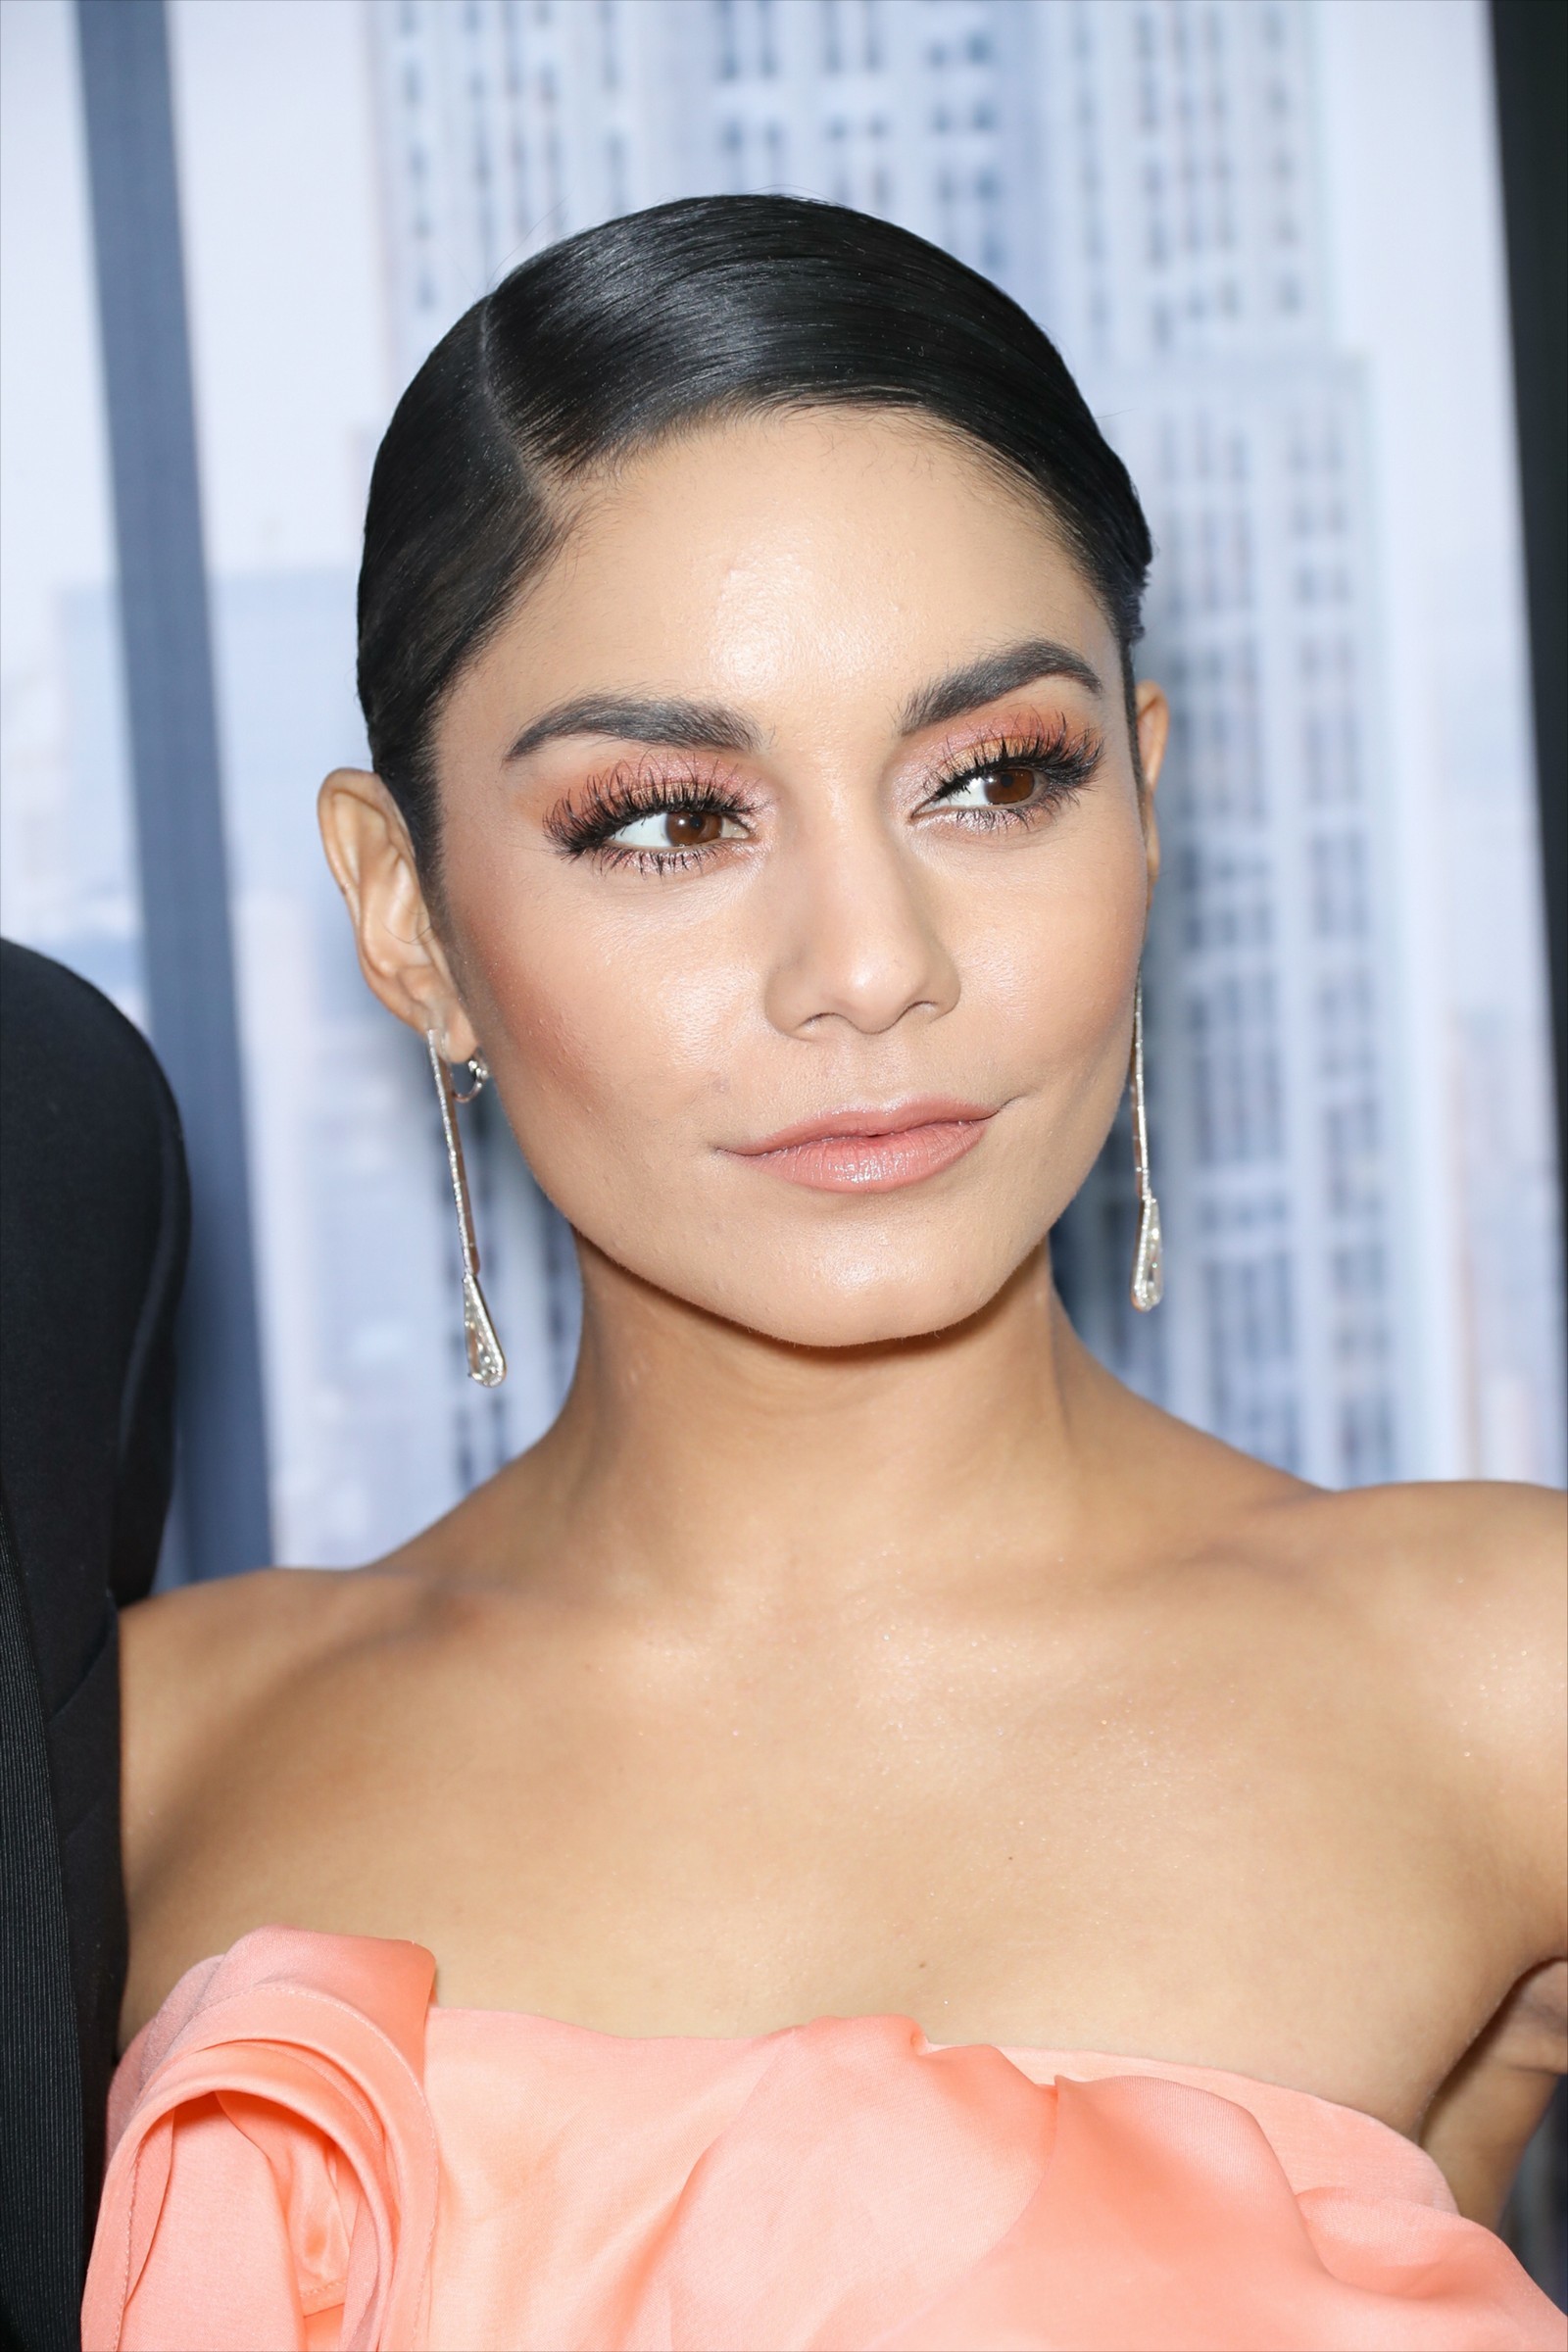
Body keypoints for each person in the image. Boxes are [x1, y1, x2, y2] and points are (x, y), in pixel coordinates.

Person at [84, 198, 1564, 2350]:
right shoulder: (131, 1763)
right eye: (669, 821)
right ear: (408, 920)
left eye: (995, 780)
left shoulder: (1506, 1685)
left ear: (1144, 806)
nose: (870, 967)